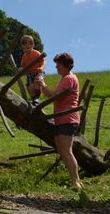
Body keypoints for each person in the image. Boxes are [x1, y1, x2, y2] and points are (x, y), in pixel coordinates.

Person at [37, 53, 83, 188]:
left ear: (66, 65)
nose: (56, 66)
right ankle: (77, 180)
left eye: (58, 64)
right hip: (61, 119)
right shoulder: (66, 78)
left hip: (67, 118)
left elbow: (54, 97)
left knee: (66, 151)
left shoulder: (69, 78)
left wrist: (43, 85)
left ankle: (75, 182)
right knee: (63, 150)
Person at [18, 35, 45, 103]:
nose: (27, 44)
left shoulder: (36, 53)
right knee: (30, 87)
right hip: (29, 74)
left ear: (33, 44)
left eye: (30, 42)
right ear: (22, 46)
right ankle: (34, 99)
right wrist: (20, 69)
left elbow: (43, 62)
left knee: (37, 82)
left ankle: (37, 98)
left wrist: (41, 68)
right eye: (24, 43)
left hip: (38, 71)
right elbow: (22, 66)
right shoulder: (24, 56)